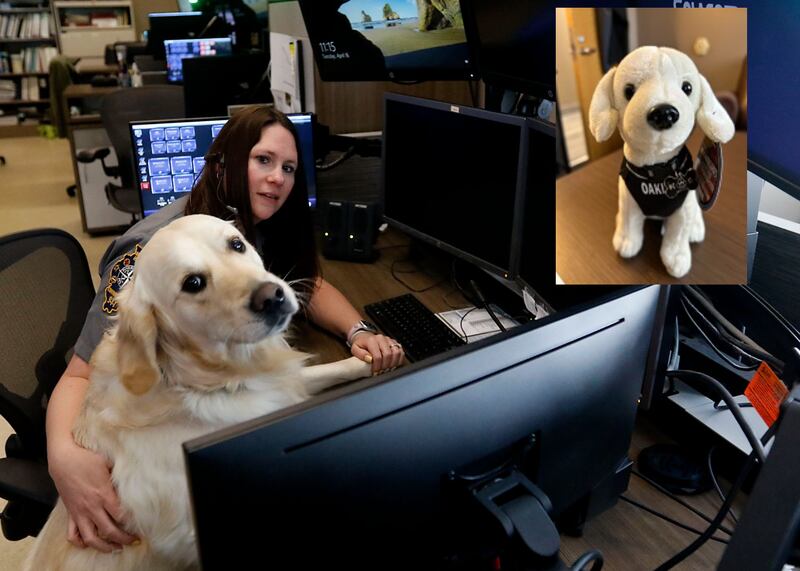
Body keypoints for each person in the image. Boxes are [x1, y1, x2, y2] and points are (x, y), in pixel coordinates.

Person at [46, 105, 404, 552]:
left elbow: (305, 282)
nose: (278, 178)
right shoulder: (151, 252)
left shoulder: (245, 223)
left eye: (289, 167)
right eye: (263, 160)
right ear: (222, 164)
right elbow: (80, 374)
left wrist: (358, 330)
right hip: (177, 432)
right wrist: (62, 457)